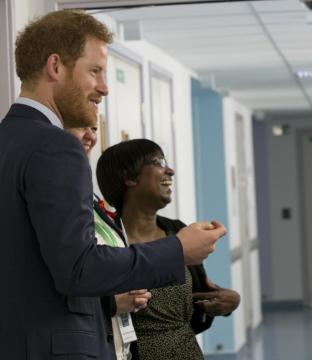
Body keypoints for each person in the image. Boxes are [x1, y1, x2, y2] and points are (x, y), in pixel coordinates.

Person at [0, 10, 225, 359]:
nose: (104, 87)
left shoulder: (9, 141)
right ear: (55, 66)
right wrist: (178, 250)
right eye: (94, 71)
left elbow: (33, 271)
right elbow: (78, 268)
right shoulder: (55, 147)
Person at [96, 139, 241, 360]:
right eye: (158, 162)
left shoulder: (177, 232)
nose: (170, 170)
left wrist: (228, 302)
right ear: (129, 177)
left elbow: (199, 297)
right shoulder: (108, 242)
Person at [65, 125, 151, 360]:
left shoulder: (93, 203)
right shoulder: (55, 206)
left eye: (93, 128)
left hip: (118, 346)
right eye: (81, 127)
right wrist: (110, 304)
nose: (92, 136)